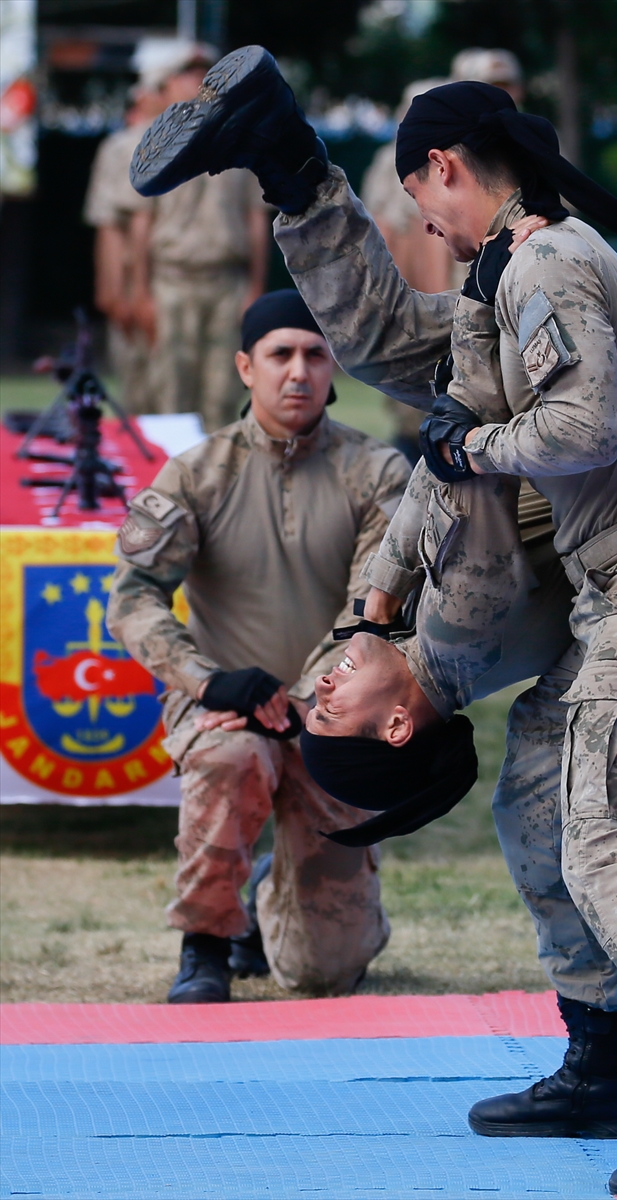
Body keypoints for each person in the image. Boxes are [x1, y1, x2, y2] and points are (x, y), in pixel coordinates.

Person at [128, 5, 617, 1191]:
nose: (319, 675)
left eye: (428, 205)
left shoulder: (532, 275)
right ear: (394, 722)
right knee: (550, 823)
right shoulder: (462, 624)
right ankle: (609, 1059)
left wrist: (379, 595)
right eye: (331, 701)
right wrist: (445, 486)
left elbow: (443, 485)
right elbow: (451, 489)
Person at [105, 290, 411, 1004]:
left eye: (314, 353)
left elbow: (373, 608)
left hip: (335, 715)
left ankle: (281, 891)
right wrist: (206, 682)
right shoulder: (196, 473)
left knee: (324, 974)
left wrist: (306, 697)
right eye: (280, 355)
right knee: (230, 756)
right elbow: (132, 596)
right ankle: (206, 945)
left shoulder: (379, 474)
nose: (297, 372)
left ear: (334, 365)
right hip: (222, 710)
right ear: (247, 366)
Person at [361, 50, 525, 463]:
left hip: (510, 296)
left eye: (507, 85)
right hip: (456, 293)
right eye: (490, 85)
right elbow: (410, 236)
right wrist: (440, 313)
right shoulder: (434, 155)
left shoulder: (529, 145)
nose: (501, 94)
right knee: (431, 420)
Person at [128, 44, 271, 430]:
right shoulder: (150, 145)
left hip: (227, 278)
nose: (198, 81)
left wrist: (255, 289)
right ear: (166, 85)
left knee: (223, 394)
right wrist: (141, 292)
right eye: (187, 74)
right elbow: (142, 223)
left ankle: (217, 485)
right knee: (168, 392)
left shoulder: (241, 140)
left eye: (204, 73)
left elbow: (256, 218)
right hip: (171, 278)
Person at [82, 39, 184, 412]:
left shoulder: (188, 143)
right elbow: (110, 223)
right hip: (139, 281)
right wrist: (113, 291)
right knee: (143, 394)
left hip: (175, 284)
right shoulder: (125, 146)